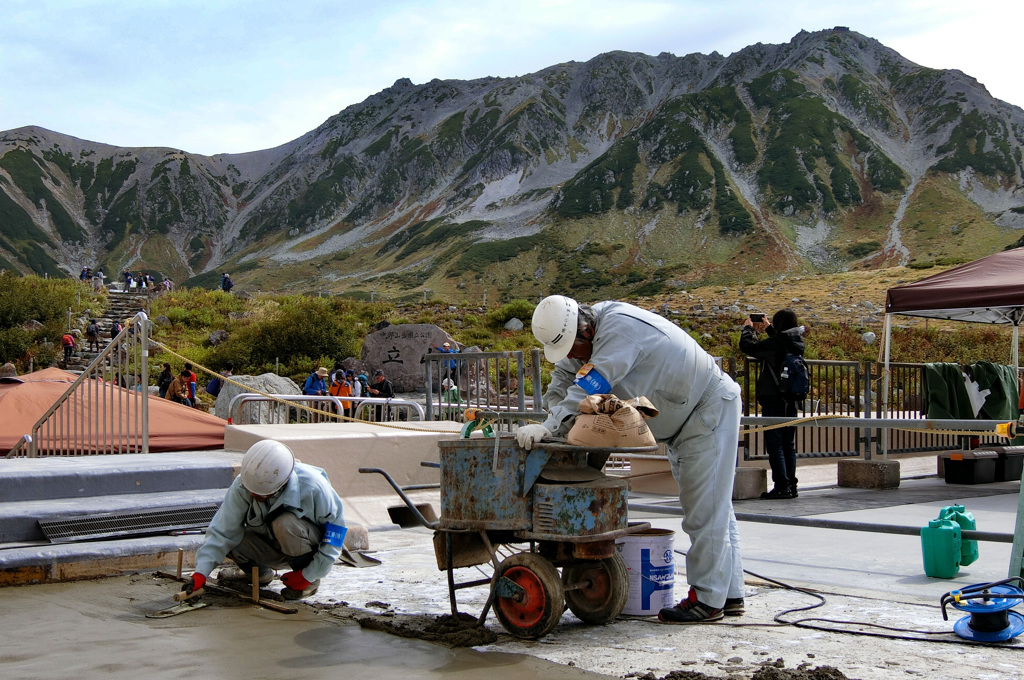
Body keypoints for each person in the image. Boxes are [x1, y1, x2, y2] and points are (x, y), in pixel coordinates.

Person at [519, 295, 744, 624]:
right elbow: (563, 384)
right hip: (682, 424)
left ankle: (707, 600)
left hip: (705, 410)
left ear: (587, 331)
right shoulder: (581, 341)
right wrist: (551, 418)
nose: (568, 357)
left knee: (706, 510)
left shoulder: (621, 328)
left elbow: (591, 386)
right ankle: (730, 594)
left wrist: (551, 426)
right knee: (715, 506)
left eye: (570, 349)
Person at [180, 440, 346, 601]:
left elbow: (334, 539)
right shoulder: (244, 485)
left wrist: (309, 575)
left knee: (284, 523)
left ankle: (307, 583)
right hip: (274, 546)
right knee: (232, 540)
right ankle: (259, 574)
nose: (253, 495)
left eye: (261, 494)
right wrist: (201, 573)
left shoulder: (314, 488)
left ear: (280, 485)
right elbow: (222, 531)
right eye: (252, 491)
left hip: (306, 549)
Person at [739, 309, 806, 500]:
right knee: (788, 444)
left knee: (775, 444)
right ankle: (791, 485)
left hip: (774, 399)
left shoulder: (776, 344)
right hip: (792, 399)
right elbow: (780, 344)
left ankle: (782, 486)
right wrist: (769, 329)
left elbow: (748, 347)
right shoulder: (797, 342)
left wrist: (747, 329)